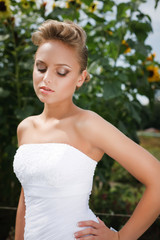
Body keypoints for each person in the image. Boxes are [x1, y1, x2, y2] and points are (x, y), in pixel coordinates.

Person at [13, 19, 160, 240]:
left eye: (61, 72)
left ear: (80, 78)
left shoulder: (88, 124)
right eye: (40, 67)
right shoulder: (25, 127)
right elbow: (27, 197)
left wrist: (120, 238)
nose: (46, 78)